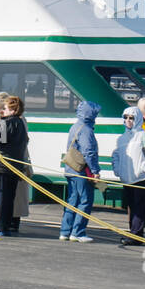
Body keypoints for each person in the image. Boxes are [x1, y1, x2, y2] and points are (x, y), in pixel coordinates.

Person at [110, 105, 145, 245]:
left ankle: (135, 236)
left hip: (141, 178)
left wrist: (142, 169)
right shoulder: (121, 139)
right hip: (127, 179)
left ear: (138, 119)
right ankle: (135, 234)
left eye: (131, 118)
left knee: (139, 207)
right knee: (132, 207)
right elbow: (115, 155)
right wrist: (118, 170)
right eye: (125, 117)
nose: (128, 120)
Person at [0, 95, 31, 236]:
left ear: (13, 110)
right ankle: (7, 225)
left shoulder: (5, 123)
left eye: (5, 108)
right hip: (14, 166)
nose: (3, 111)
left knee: (1, 197)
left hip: (2, 165)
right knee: (9, 198)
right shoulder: (21, 123)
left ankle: (0, 227)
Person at [60, 101, 102, 243]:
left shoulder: (76, 125)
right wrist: (95, 170)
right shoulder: (87, 129)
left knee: (72, 200)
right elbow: (88, 152)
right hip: (81, 171)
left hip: (70, 169)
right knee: (85, 200)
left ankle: (65, 231)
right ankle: (78, 232)